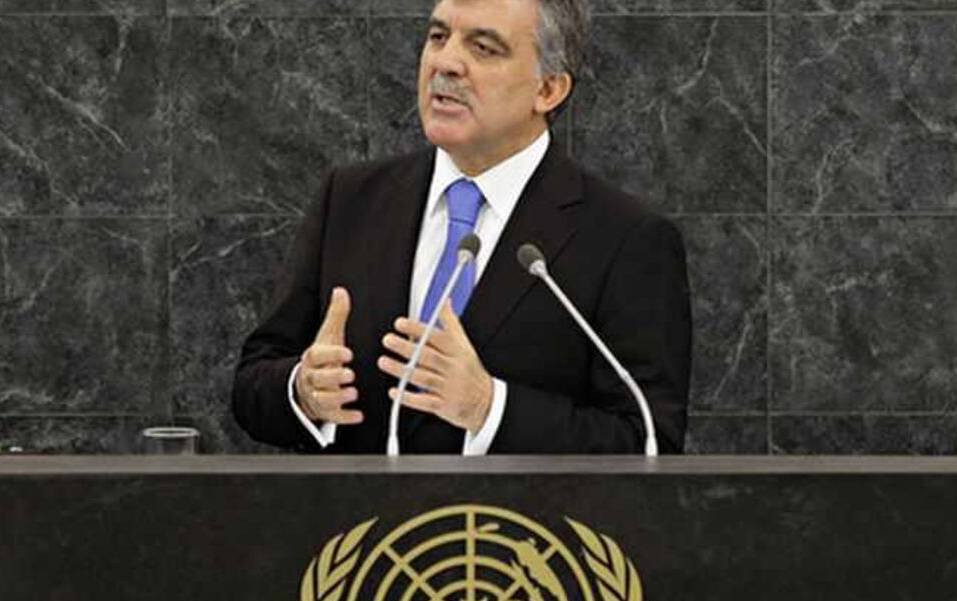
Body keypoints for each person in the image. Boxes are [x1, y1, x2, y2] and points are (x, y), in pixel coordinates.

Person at [232, 0, 691, 454]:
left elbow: (648, 443)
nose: (446, 63)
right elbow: (253, 385)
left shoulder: (626, 239)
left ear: (548, 89)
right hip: (356, 526)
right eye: (438, 37)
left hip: (516, 527)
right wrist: (302, 390)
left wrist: (489, 408)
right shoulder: (351, 199)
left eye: (484, 48)